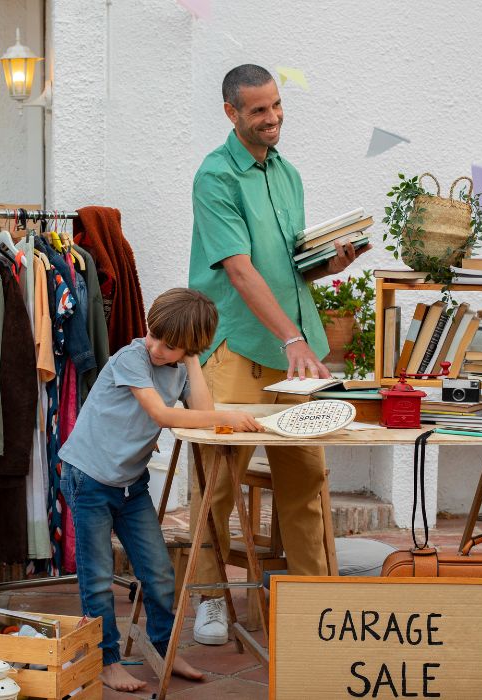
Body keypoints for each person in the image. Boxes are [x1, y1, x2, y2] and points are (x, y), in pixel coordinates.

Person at [186, 63, 366, 645]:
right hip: (238, 347)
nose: (273, 118)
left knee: (306, 478)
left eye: (277, 105)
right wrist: (292, 338)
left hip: (294, 350)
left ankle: (315, 598)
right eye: (259, 110)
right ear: (231, 113)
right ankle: (210, 598)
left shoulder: (288, 175)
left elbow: (286, 260)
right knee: (217, 484)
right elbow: (239, 270)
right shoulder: (215, 177)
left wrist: (328, 263)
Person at [57, 288, 262, 692]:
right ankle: (106, 659)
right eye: (154, 335)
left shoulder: (181, 364)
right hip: (89, 479)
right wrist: (225, 416)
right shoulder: (132, 358)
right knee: (98, 577)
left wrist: (192, 360)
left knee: (161, 574)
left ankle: (164, 648)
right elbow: (163, 415)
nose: (155, 347)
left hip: (131, 486)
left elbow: (200, 407)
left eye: (169, 346)